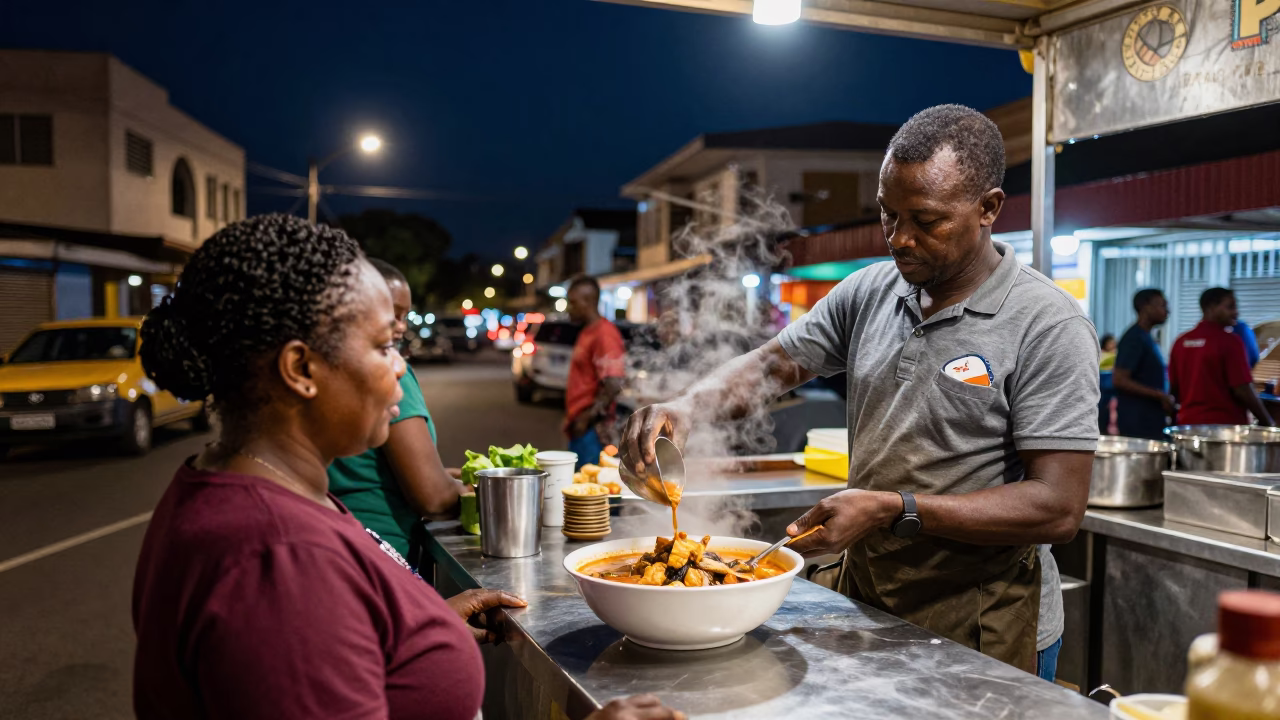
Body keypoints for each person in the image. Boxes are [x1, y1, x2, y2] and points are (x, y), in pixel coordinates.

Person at [132, 214, 680, 720]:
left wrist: (414, 627)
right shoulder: (280, 562)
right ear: (301, 367)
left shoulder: (257, 491)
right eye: (382, 347)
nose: (401, 369)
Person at [622, 105, 1099, 679]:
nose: (899, 238)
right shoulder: (872, 290)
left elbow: (1058, 508)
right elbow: (773, 366)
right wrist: (688, 406)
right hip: (869, 600)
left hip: (984, 621)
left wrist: (892, 509)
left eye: (926, 220)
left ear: (989, 209)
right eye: (887, 214)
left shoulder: (1047, 324)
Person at [328, 257, 462, 559]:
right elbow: (433, 497)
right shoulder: (380, 373)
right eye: (390, 315)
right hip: (382, 554)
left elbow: (375, 471)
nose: (398, 367)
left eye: (404, 316)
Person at [1169, 288, 1275, 427]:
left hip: (1187, 425)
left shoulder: (1180, 342)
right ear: (1211, 307)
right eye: (1230, 307)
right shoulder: (1230, 341)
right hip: (1224, 429)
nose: (1236, 313)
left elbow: (1173, 390)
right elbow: (1242, 388)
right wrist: (1267, 422)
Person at [565, 275, 626, 470]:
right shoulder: (587, 331)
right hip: (580, 425)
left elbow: (614, 383)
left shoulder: (604, 334)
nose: (569, 308)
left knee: (591, 493)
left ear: (589, 301)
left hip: (593, 430)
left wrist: (586, 418)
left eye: (573, 302)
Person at [1113, 289, 1176, 440]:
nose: (1167, 311)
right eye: (1162, 305)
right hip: (1137, 422)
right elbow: (1120, 379)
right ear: (1145, 307)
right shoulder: (1134, 338)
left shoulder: (1147, 337)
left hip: (1149, 419)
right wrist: (1159, 395)